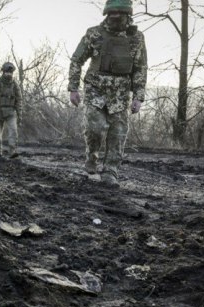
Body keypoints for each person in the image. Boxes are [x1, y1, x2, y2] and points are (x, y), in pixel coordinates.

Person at [68, 0, 147, 187]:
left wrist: (138, 96)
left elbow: (140, 68)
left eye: (118, 15)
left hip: (120, 93)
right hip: (96, 88)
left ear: (127, 15)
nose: (114, 18)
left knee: (118, 133)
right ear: (106, 14)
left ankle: (111, 171)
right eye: (111, 15)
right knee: (95, 128)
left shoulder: (136, 38)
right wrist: (73, 88)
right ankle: (92, 158)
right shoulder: (94, 34)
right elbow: (76, 60)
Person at [0, 62, 22, 158]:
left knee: (13, 131)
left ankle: (12, 151)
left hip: (11, 112)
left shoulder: (15, 85)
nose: (9, 74)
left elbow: (19, 100)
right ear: (3, 72)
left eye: (10, 72)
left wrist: (20, 115)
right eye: (7, 72)